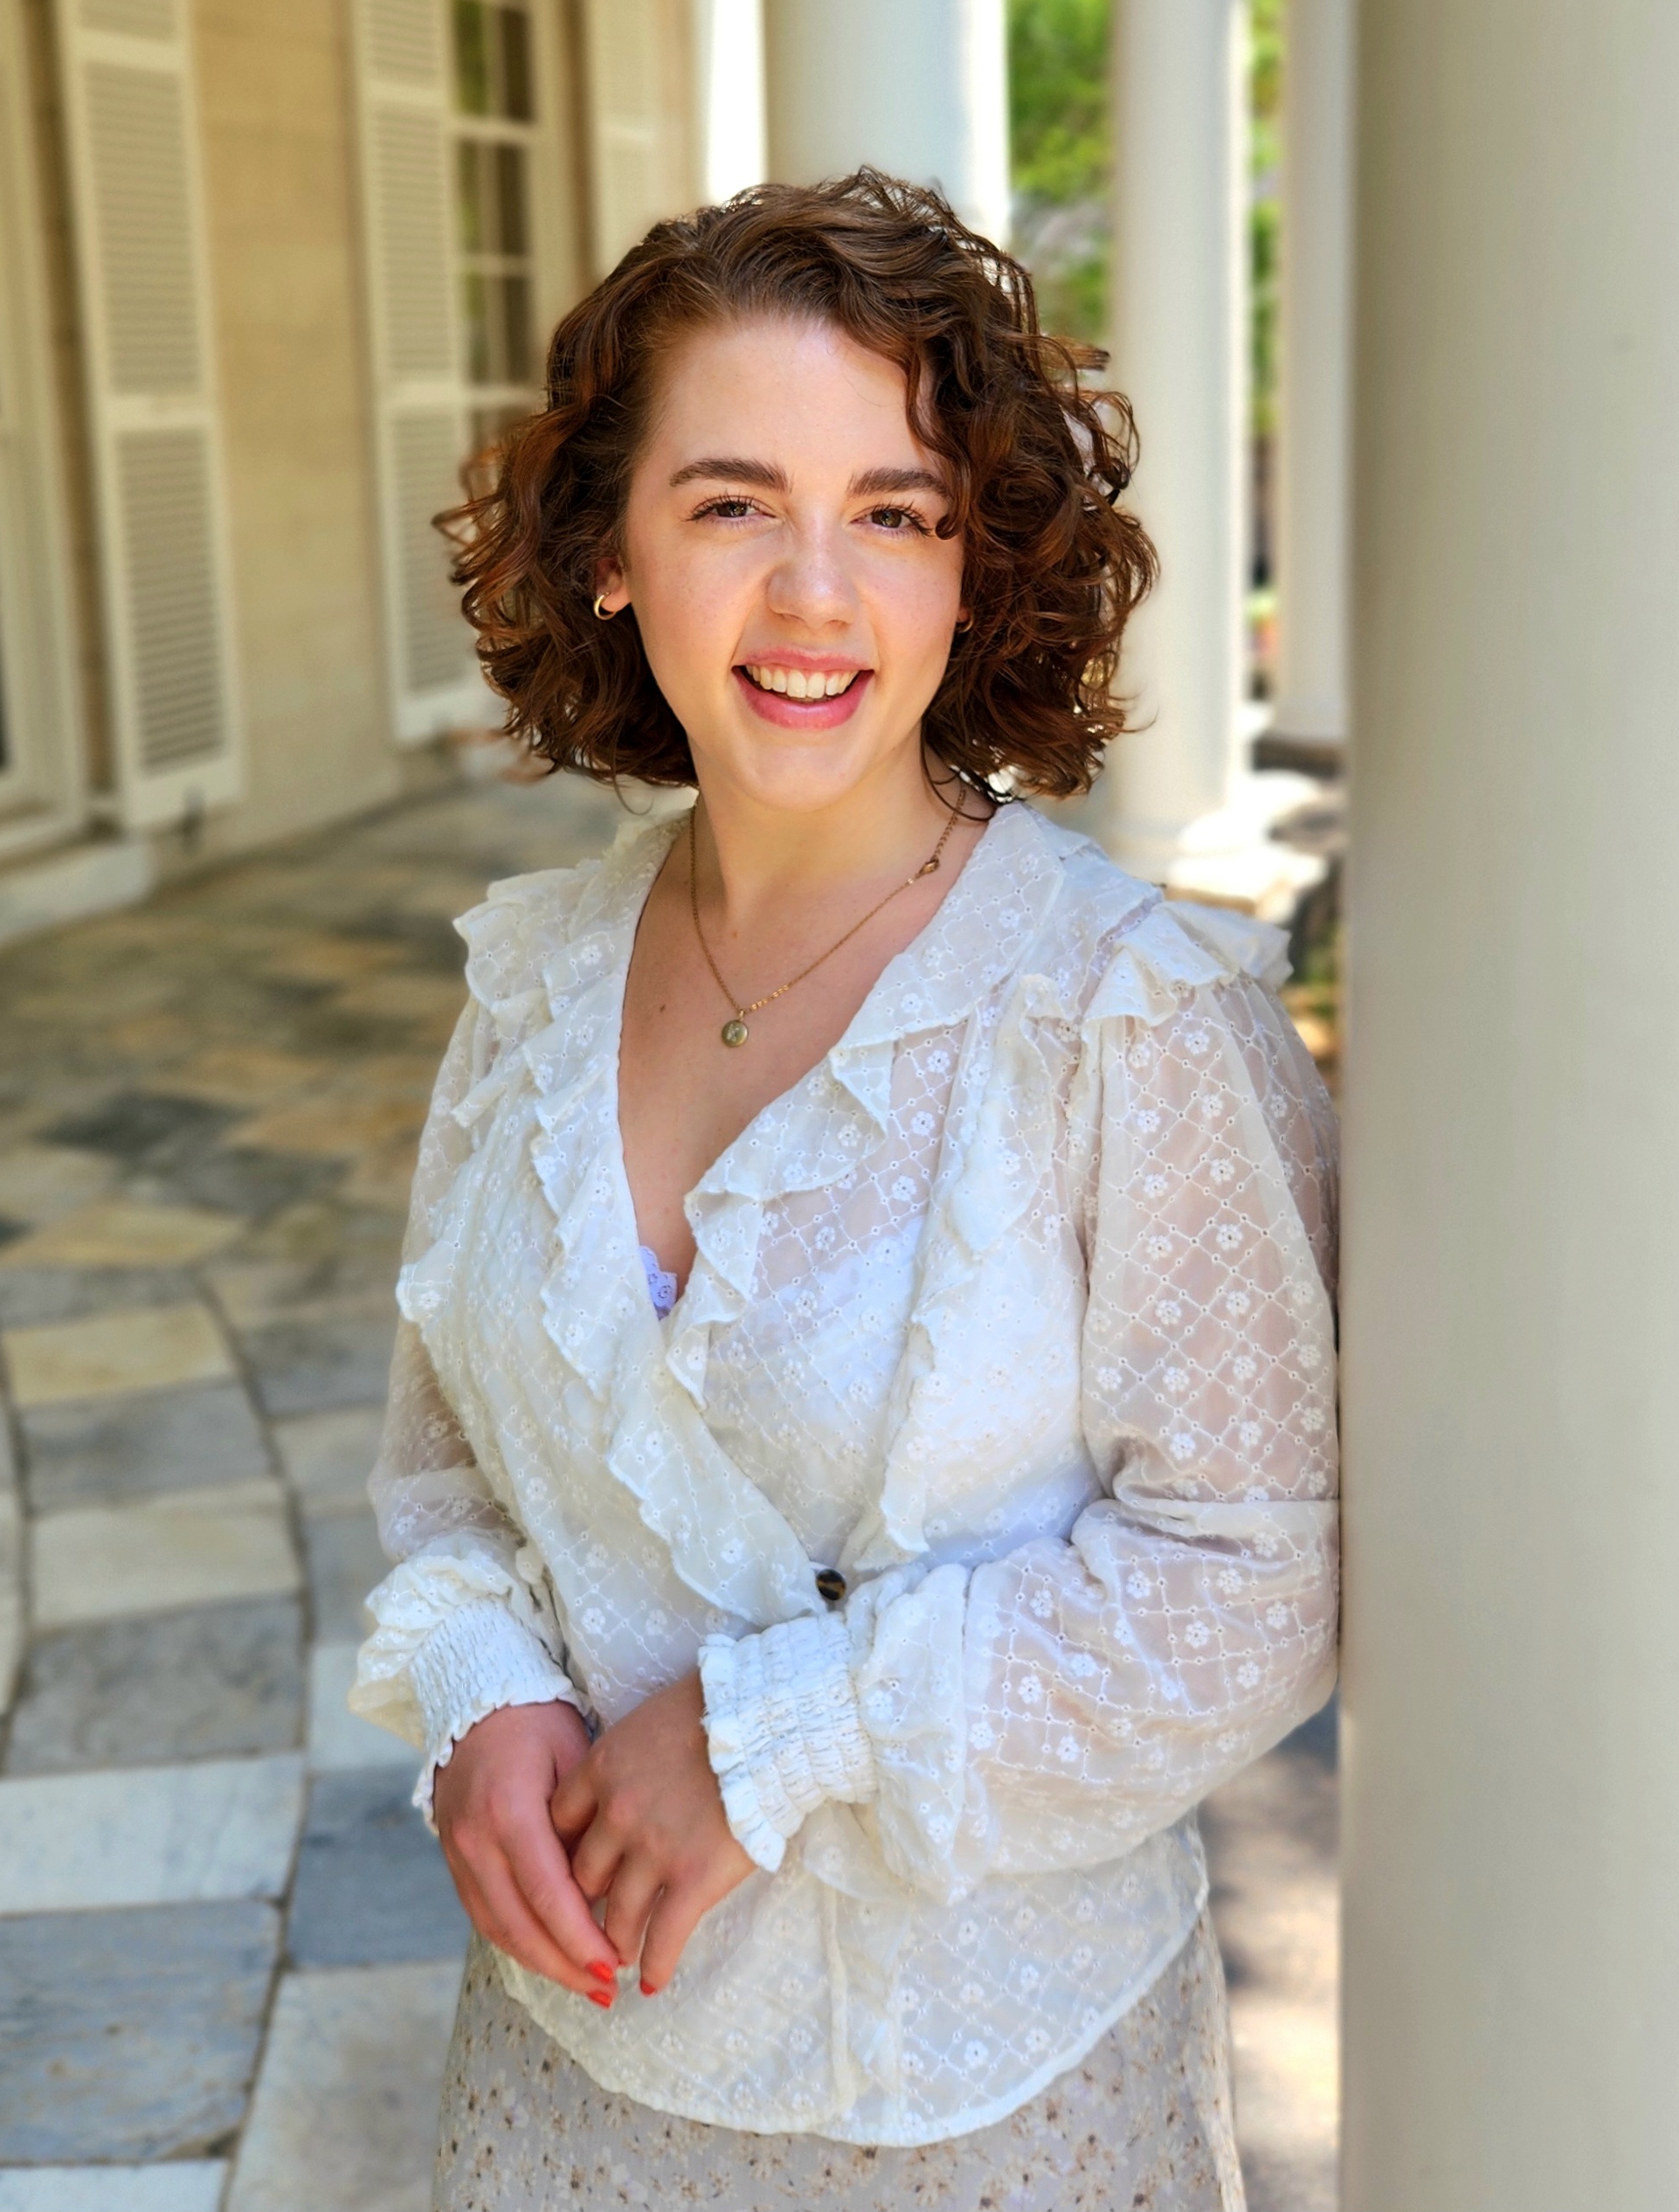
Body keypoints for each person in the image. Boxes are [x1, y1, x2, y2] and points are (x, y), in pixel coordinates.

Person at [351, 170, 1339, 2212]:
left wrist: (770, 1738)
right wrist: (483, 1700)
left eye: (892, 512)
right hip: (567, 2084)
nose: (814, 592)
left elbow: (1258, 1573)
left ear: (974, 573)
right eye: (729, 503)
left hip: (1000, 2105)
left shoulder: (1118, 1018)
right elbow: (450, 1473)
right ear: (610, 554)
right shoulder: (532, 988)